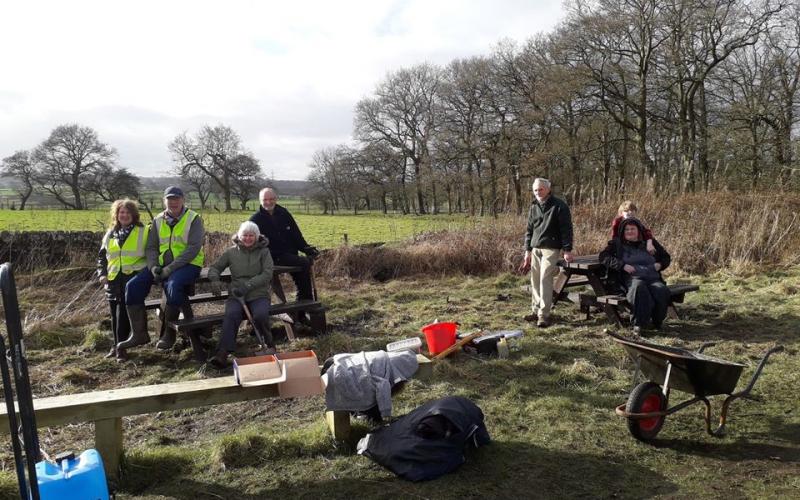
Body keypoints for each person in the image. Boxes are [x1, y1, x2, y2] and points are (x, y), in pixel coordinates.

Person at [119, 186, 205, 351]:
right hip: (161, 266)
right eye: (170, 199)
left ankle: (169, 334)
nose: (173, 202)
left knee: (173, 285)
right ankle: (139, 334)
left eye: (177, 198)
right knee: (133, 286)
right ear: (164, 201)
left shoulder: (194, 219)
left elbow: (193, 248)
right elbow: (151, 247)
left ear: (183, 200)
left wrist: (169, 269)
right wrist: (152, 267)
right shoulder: (158, 220)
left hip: (189, 264)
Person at [207, 221, 275, 368]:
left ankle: (268, 345)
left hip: (259, 293)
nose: (248, 238)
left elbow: (267, 273)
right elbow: (215, 267)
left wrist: (248, 285)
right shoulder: (231, 252)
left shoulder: (264, 252)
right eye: (245, 235)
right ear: (239, 235)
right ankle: (222, 353)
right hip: (236, 294)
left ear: (257, 236)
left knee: (260, 315)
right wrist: (214, 280)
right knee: (231, 315)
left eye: (251, 235)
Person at [96, 199, 149, 362]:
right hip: (113, 279)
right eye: (121, 212)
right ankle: (116, 345)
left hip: (133, 278)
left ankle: (121, 349)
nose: (124, 215)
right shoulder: (110, 232)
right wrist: (101, 273)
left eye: (127, 212)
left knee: (123, 313)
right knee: (114, 314)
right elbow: (102, 257)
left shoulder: (144, 231)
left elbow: (152, 254)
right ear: (116, 214)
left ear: (134, 214)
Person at [599, 217, 671, 334]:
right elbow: (603, 257)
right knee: (639, 287)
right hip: (630, 278)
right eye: (626, 229)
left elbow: (666, 257)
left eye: (632, 229)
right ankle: (638, 324)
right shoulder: (617, 244)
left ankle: (657, 323)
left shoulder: (650, 243)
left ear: (639, 231)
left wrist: (660, 264)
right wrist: (622, 265)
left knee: (661, 290)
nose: (629, 231)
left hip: (651, 277)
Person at [519, 178, 574, 328]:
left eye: (541, 189)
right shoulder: (533, 206)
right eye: (535, 190)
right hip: (535, 247)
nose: (538, 192)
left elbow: (566, 229)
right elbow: (529, 230)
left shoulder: (559, 206)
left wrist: (567, 250)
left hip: (551, 248)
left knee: (545, 278)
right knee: (535, 280)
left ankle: (544, 314)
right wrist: (527, 251)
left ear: (548, 189)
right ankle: (536, 310)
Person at [249, 187, 319, 301]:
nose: (268, 202)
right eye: (265, 199)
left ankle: (303, 307)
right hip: (271, 257)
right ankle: (306, 304)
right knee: (304, 263)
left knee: (303, 270)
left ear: (276, 199)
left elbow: (296, 234)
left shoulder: (283, 213)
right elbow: (253, 244)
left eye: (271, 199)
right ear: (260, 200)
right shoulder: (255, 220)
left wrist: (307, 249)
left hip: (289, 254)